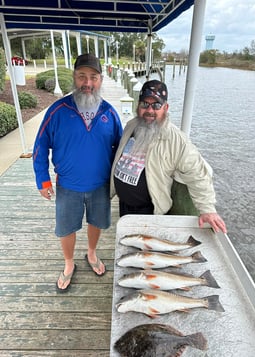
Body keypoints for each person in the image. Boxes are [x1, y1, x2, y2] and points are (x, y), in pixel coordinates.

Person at [33, 53, 123, 292]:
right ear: (74, 77)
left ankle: (91, 254)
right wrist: (42, 179)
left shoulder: (110, 113)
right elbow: (40, 146)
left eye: (93, 77)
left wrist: (122, 182)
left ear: (101, 80)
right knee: (67, 228)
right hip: (68, 186)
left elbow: (121, 148)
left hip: (100, 185)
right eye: (82, 76)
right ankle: (69, 262)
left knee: (97, 223)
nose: (88, 83)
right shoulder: (58, 110)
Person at [110, 79, 227, 234]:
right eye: (145, 104)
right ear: (138, 105)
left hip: (150, 211)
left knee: (145, 252)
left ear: (165, 107)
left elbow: (198, 173)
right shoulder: (132, 125)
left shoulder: (177, 140)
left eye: (156, 105)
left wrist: (207, 209)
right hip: (124, 205)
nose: (149, 110)